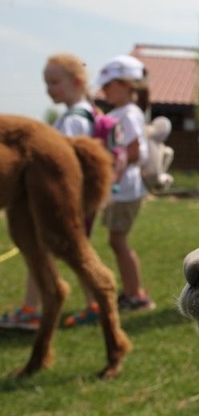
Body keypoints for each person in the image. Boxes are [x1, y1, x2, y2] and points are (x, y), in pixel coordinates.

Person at [0, 53, 102, 330]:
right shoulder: (79, 114)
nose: (49, 89)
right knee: (65, 248)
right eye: (47, 83)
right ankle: (90, 301)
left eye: (54, 82)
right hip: (67, 188)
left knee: (58, 245)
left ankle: (34, 307)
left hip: (63, 189)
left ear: (77, 82)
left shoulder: (74, 118)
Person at [97, 54, 155, 312]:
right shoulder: (120, 112)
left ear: (126, 85)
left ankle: (137, 295)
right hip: (119, 187)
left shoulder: (128, 114)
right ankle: (131, 292)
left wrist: (111, 164)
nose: (104, 89)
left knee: (118, 241)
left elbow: (135, 151)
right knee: (116, 240)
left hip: (125, 188)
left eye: (109, 85)